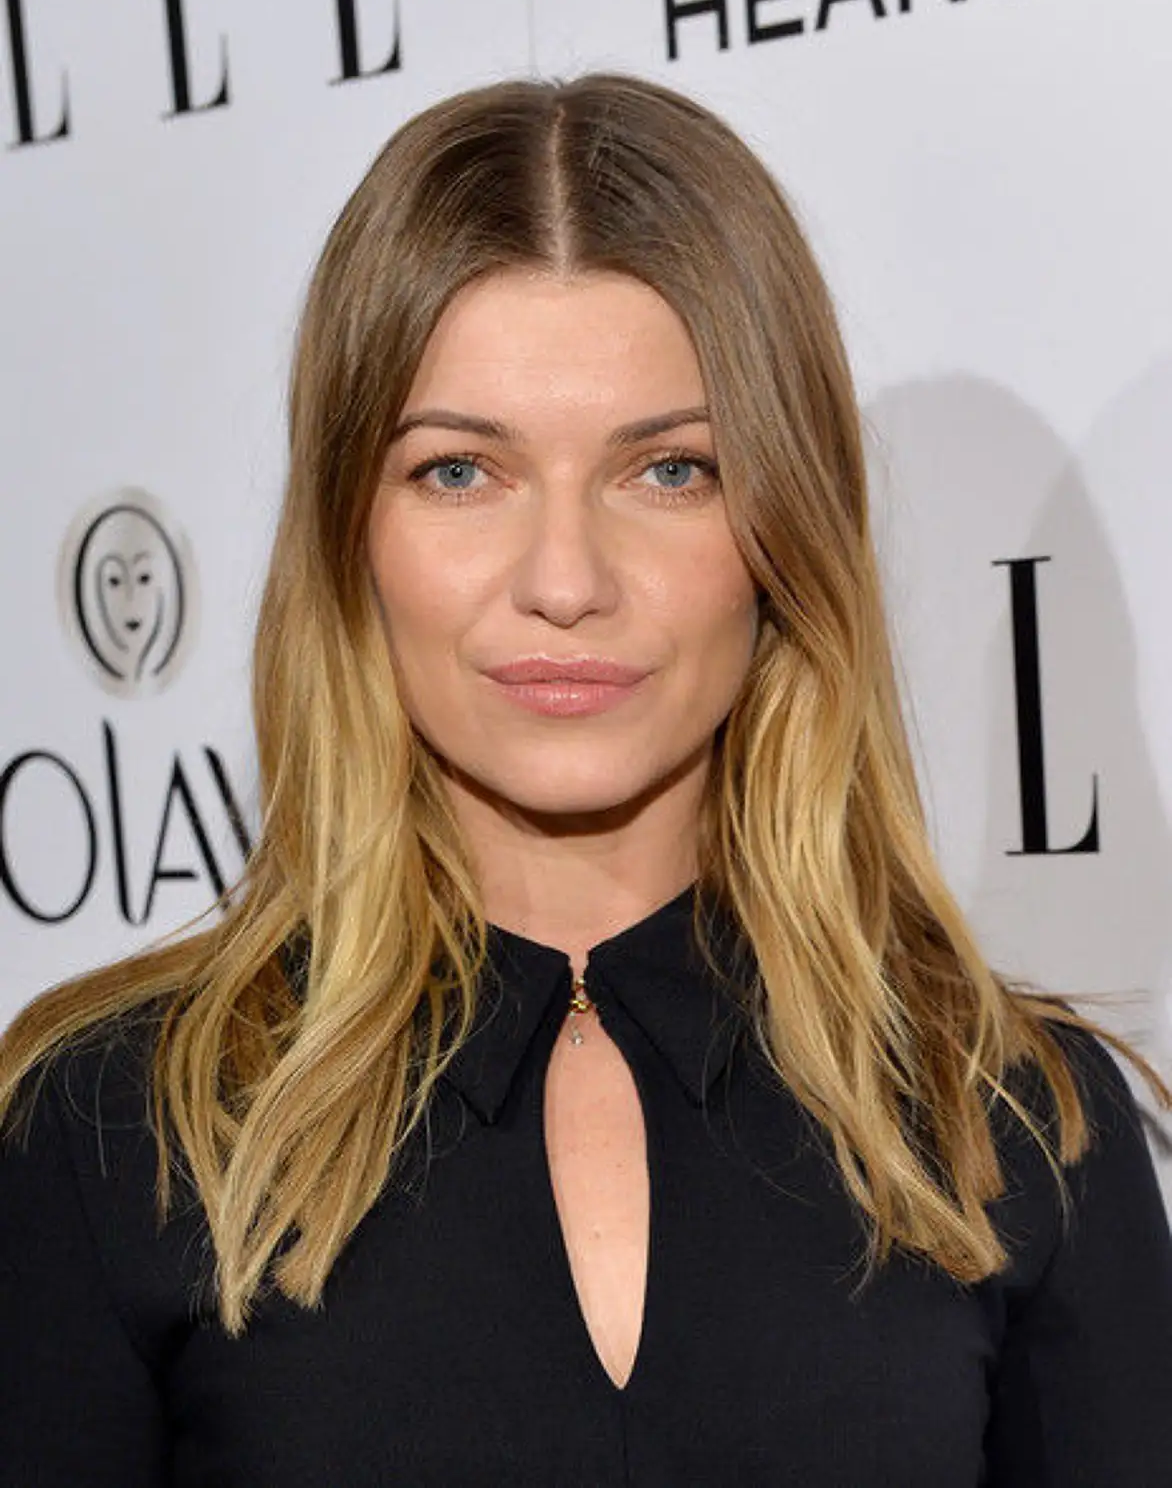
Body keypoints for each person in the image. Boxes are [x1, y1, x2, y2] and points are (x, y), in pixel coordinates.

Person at [2, 72, 1171, 1487]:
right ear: (347, 532)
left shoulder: (1015, 1122)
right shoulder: (114, 1129)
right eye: (459, 473)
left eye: (669, 471)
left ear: (786, 530)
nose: (564, 581)